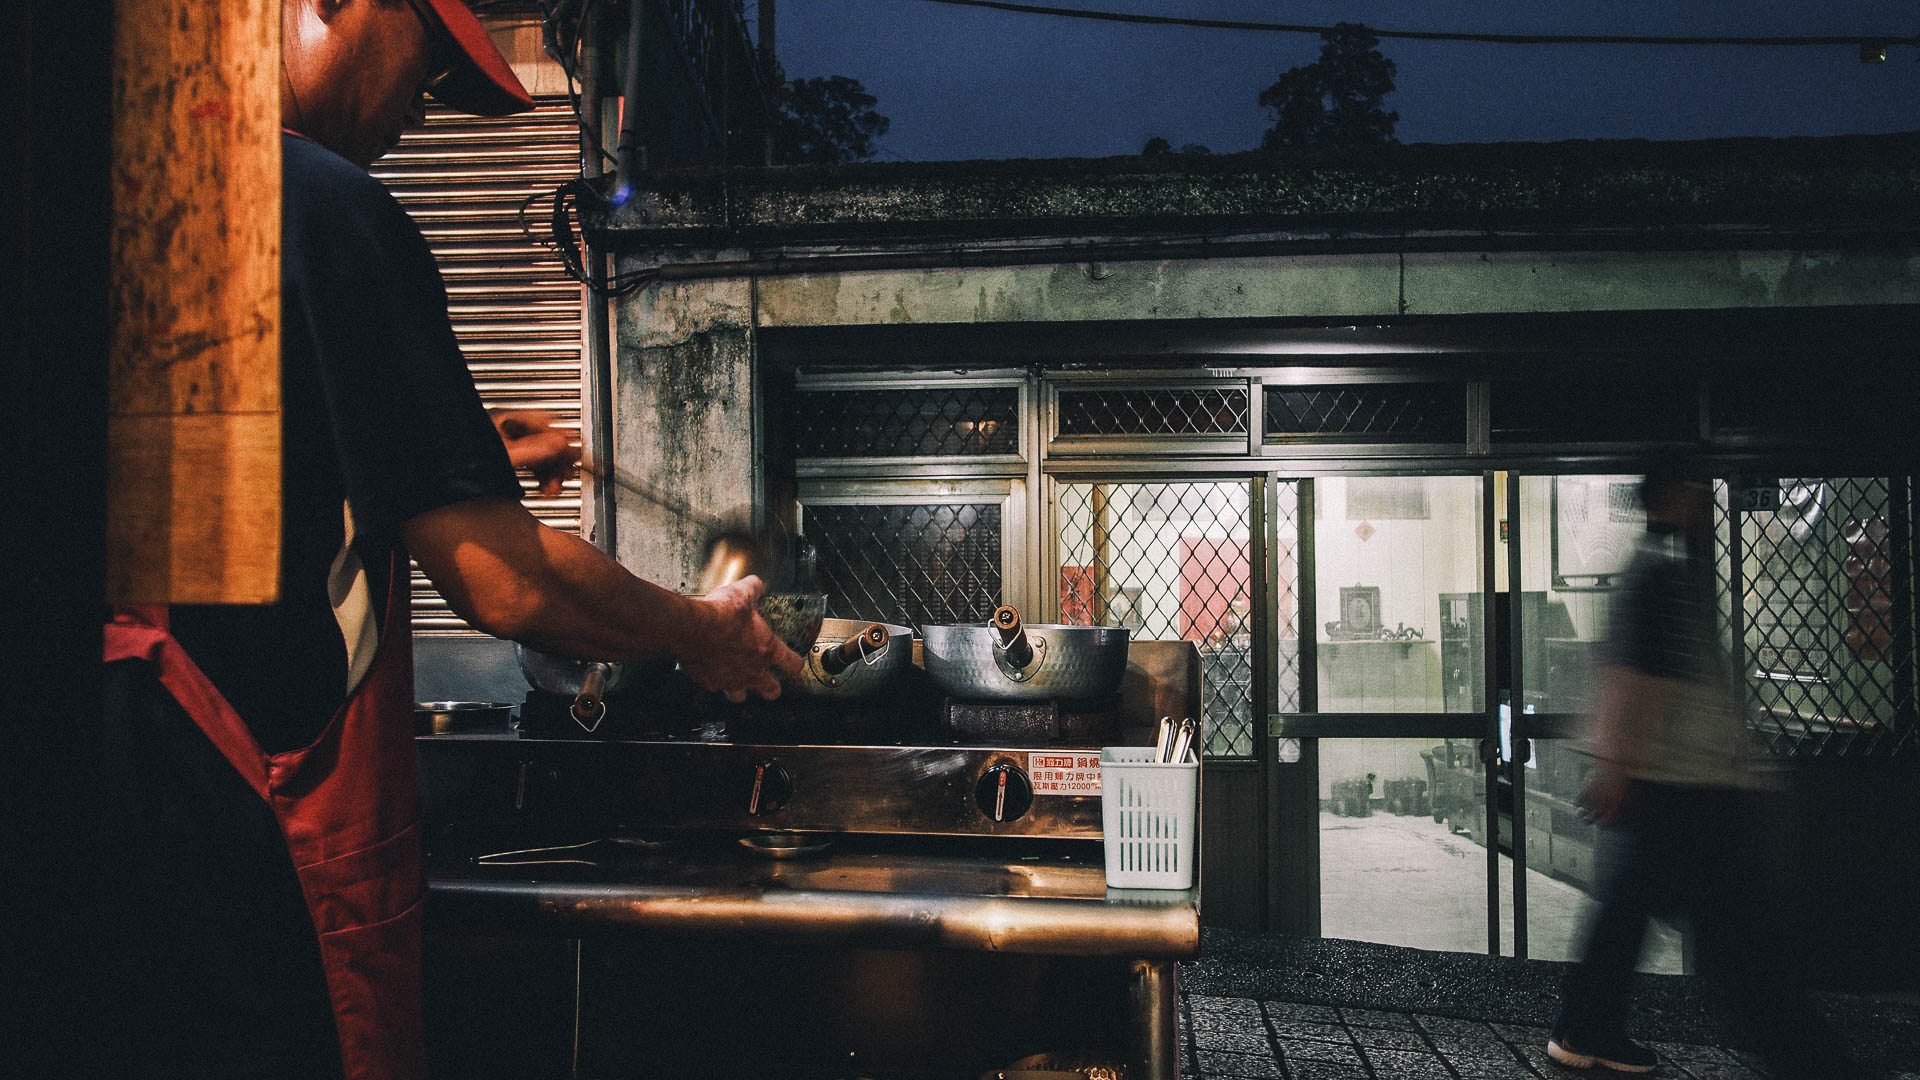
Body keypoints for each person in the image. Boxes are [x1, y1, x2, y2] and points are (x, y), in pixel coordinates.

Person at [98, 2, 804, 1078]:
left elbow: (250, 465)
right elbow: (508, 586)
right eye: (425, 72)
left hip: (130, 845)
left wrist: (468, 451)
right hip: (262, 857)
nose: (419, 120)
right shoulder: (327, 207)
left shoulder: (150, 185)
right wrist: (699, 632)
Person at [1547, 467, 1854, 1077]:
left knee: (1639, 911)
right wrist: (1620, 765)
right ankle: (1798, 1050)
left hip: (1677, 779)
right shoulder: (1659, 573)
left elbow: (1626, 677)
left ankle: (1588, 1027)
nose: (1701, 502)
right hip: (1688, 780)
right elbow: (1638, 679)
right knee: (1730, 929)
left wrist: (1618, 763)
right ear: (1670, 497)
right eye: (1690, 489)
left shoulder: (1649, 569)